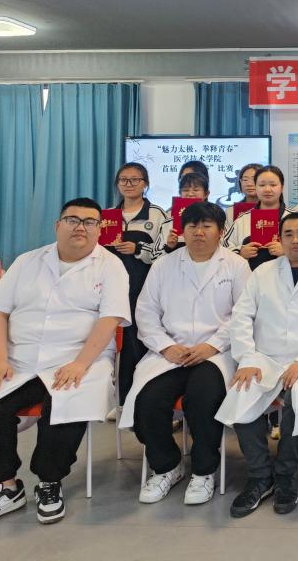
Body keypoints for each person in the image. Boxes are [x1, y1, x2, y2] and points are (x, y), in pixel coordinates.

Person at [0, 198, 130, 530]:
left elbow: (109, 320)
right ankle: (6, 487)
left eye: (90, 222)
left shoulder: (110, 266)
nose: (80, 227)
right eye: (73, 220)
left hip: (81, 357)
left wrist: (80, 364)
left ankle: (50, 482)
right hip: (20, 360)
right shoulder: (27, 261)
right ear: (57, 225)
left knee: (64, 408)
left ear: (100, 229)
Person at [216, 212, 298, 516]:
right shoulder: (262, 273)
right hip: (264, 358)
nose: (296, 240)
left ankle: (285, 474)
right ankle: (260, 476)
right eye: (288, 234)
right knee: (241, 393)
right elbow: (241, 317)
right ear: (279, 239)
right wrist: (247, 358)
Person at [119, 202, 250, 506]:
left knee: (203, 399)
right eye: (192, 226)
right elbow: (146, 311)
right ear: (183, 231)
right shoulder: (164, 265)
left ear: (220, 232)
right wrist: (166, 346)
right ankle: (167, 466)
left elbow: (244, 313)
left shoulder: (236, 265)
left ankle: (204, 471)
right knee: (148, 401)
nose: (199, 232)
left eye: (206, 226)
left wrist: (212, 345)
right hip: (170, 353)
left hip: (216, 353)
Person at [104, 162, 168, 410]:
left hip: (142, 288)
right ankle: (117, 401)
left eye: (135, 180)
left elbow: (165, 253)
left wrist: (138, 249)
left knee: (137, 343)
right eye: (123, 180)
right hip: (110, 288)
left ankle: (138, 399)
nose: (128, 184)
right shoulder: (107, 215)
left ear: (145, 184)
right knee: (110, 344)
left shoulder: (158, 214)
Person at [223, 165, 288, 271]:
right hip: (248, 277)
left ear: (282, 187)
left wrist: (288, 251)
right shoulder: (242, 219)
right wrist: (240, 252)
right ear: (256, 187)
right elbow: (224, 246)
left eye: (273, 185)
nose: (267, 189)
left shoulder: (294, 218)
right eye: (262, 185)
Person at [155, 171, 210, 257]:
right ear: (180, 193)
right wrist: (169, 247)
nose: (190, 194)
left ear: (206, 194)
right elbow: (154, 257)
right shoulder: (169, 223)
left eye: (196, 190)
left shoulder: (215, 221)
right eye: (185, 190)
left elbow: (226, 250)